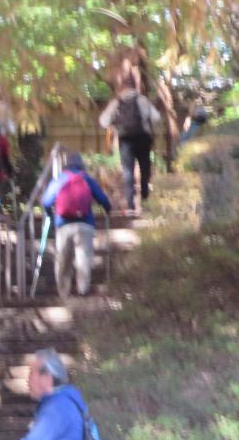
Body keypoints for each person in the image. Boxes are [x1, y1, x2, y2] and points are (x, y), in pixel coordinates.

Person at [41, 151, 112, 298]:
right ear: (81, 165)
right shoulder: (86, 178)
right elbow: (103, 199)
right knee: (84, 258)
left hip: (64, 225)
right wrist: (107, 209)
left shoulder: (59, 179)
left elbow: (46, 201)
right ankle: (83, 290)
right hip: (85, 224)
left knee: (63, 260)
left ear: (65, 165)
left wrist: (50, 214)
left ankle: (63, 292)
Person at [99, 74, 161, 212]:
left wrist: (115, 125)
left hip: (125, 140)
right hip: (144, 139)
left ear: (122, 87)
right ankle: (145, 201)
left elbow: (103, 121)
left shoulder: (117, 102)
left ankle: (131, 206)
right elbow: (156, 117)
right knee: (145, 170)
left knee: (128, 172)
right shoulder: (143, 100)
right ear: (135, 86)